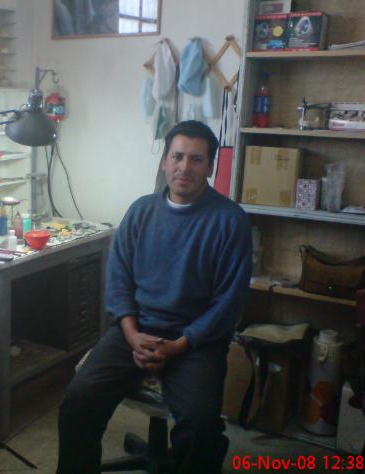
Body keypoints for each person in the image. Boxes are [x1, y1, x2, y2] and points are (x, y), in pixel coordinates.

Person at [56, 120, 252, 474]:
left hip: (196, 342)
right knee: (78, 402)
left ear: (210, 167)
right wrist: (132, 335)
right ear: (164, 161)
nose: (184, 167)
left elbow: (229, 303)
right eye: (177, 156)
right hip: (135, 331)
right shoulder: (141, 211)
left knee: (201, 428)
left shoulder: (230, 220)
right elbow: (118, 282)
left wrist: (178, 346)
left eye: (196, 159)